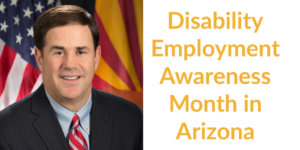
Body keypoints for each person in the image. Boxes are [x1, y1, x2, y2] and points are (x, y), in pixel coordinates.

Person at [0, 5, 142, 150]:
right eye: (59, 52)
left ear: (96, 56)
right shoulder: (5, 129)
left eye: (80, 51)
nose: (69, 64)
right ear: (39, 57)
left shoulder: (133, 120)